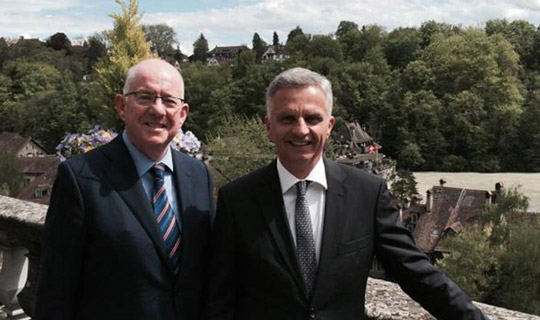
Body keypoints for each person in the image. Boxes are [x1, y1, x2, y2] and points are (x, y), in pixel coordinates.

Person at [204, 67, 487, 320]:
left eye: (313, 118)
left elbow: (416, 272)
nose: (301, 129)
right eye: (287, 118)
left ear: (329, 126)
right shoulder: (237, 199)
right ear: (268, 127)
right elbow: (220, 298)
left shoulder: (367, 193)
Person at [35, 59, 214, 320]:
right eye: (145, 97)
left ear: (183, 113)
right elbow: (56, 288)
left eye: (169, 101)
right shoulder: (81, 177)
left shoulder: (198, 175)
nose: (158, 109)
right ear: (121, 105)